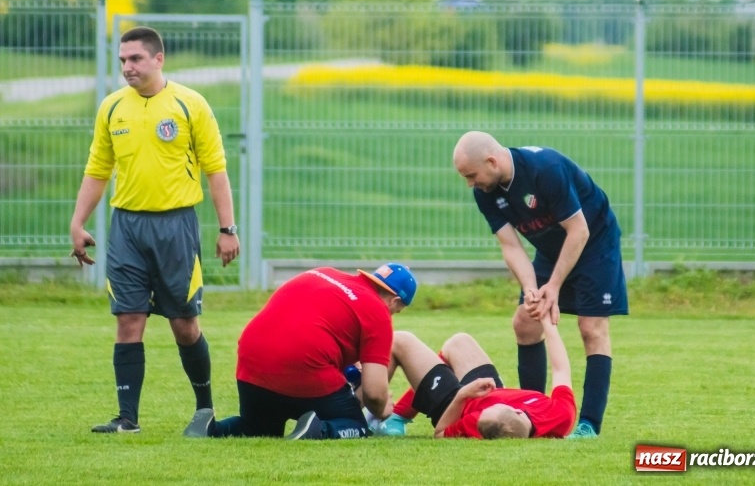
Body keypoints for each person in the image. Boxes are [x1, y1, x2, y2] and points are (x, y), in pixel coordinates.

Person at [69, 26, 240, 434]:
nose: (127, 67)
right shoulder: (112, 108)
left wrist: (227, 228)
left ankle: (204, 409)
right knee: (128, 319)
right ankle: (127, 418)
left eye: (135, 59)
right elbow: (97, 170)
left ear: (158, 59)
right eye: (123, 60)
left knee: (184, 324)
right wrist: (78, 222)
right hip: (126, 226)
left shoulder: (189, 104)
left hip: (175, 226)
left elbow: (216, 170)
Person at [451, 130, 628, 438]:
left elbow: (579, 231)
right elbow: (511, 245)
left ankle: (588, 425)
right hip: (551, 248)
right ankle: (530, 407)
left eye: (471, 175)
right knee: (525, 321)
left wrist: (554, 286)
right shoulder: (485, 192)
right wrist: (532, 289)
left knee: (591, 328)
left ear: (492, 161)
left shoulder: (545, 169)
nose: (469, 183)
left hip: (594, 241)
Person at [181, 263, 418, 440]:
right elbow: (375, 394)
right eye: (398, 310)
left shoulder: (322, 272)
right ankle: (317, 429)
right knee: (355, 425)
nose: (393, 315)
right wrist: (383, 408)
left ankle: (211, 428)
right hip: (301, 367)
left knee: (258, 429)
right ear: (395, 300)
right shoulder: (378, 312)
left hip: (251, 361)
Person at [378, 314, 575, 439]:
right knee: (459, 342)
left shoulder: (479, 422)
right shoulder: (561, 416)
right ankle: (402, 414)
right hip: (490, 387)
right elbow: (561, 370)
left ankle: (379, 414)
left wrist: (463, 394)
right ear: (518, 412)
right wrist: (548, 323)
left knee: (400, 340)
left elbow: (439, 433)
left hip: (453, 403)